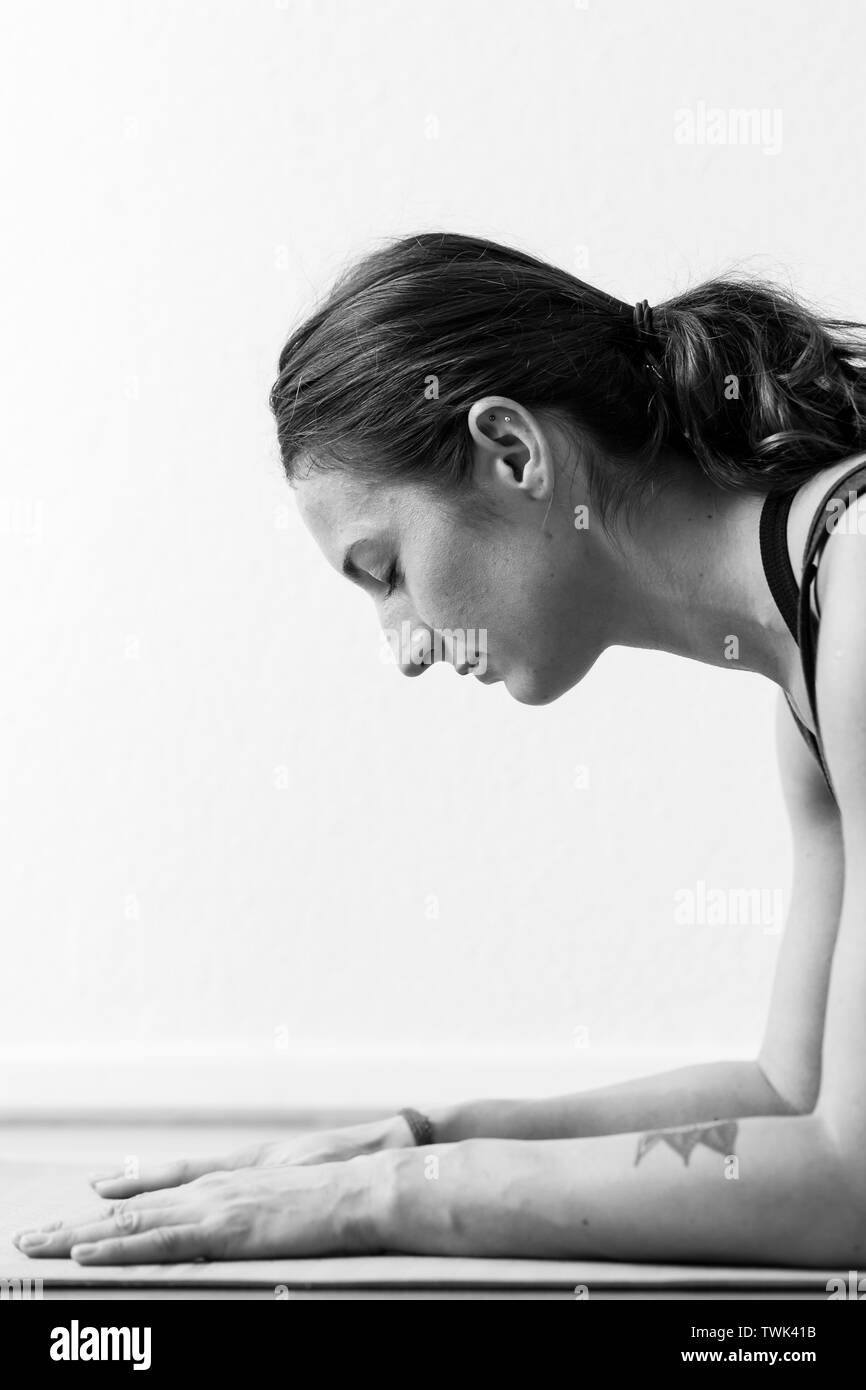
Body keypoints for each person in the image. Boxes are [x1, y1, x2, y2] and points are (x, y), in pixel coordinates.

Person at [15, 232, 866, 1266]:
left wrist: (392, 1197)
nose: (405, 644)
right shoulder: (810, 666)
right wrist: (428, 1136)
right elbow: (792, 1096)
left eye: (386, 570)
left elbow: (845, 1183)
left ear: (513, 451)